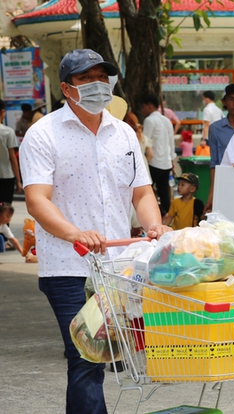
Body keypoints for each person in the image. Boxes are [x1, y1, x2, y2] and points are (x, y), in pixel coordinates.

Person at [19, 48, 171, 414]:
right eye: (86, 79)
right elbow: (38, 200)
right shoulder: (43, 135)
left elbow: (142, 191)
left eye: (102, 78)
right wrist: (74, 233)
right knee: (86, 358)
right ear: (67, 88)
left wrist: (154, 225)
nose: (97, 86)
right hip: (68, 268)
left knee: (106, 360)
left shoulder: (123, 134)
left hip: (118, 267)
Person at [204, 84, 234, 213]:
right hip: (225, 182)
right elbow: (214, 162)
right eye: (231, 99)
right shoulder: (215, 128)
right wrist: (212, 194)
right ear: (224, 102)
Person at [140, 94, 176, 215]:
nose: (142, 110)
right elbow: (171, 142)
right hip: (166, 162)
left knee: (146, 191)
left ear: (150, 106)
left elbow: (145, 141)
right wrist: (172, 160)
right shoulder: (166, 120)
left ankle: (158, 214)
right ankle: (168, 217)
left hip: (153, 162)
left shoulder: (150, 120)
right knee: (164, 193)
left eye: (143, 107)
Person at [0, 99, 22, 203]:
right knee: (5, 209)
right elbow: (12, 158)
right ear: (2, 112)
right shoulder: (8, 132)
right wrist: (18, 180)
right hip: (6, 176)